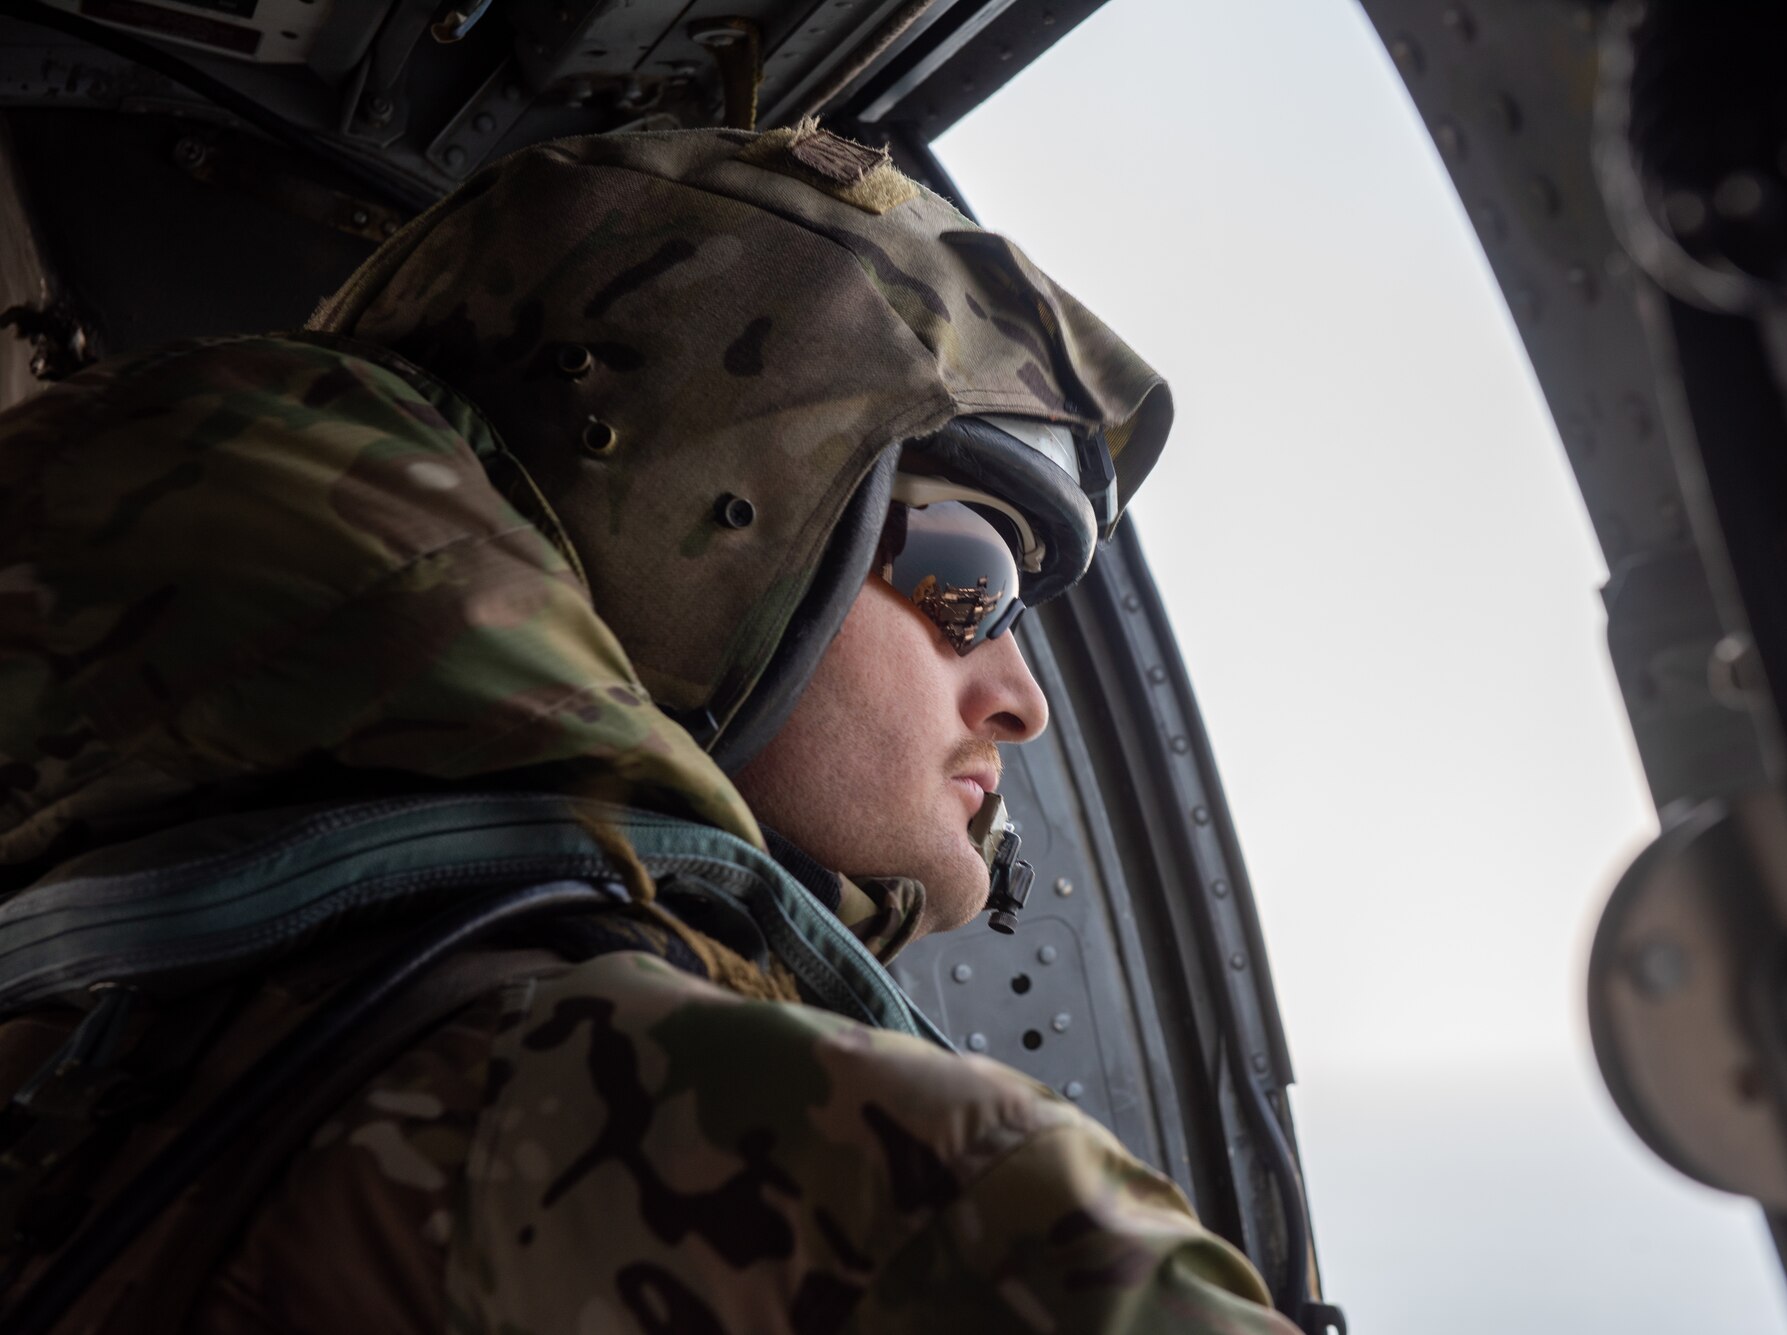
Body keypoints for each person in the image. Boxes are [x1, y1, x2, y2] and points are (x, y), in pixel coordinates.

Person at [0, 122, 1301, 1333]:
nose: (1024, 698)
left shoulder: (103, 1002)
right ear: (708, 531)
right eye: (974, 583)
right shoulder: (909, 1193)